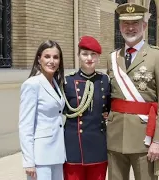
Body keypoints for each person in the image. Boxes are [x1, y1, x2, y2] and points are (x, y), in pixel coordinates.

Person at [106, 3, 159, 180]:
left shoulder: (158, 56)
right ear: (120, 26)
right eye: (125, 24)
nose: (130, 28)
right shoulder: (113, 58)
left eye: (135, 23)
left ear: (144, 26)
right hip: (115, 137)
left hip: (145, 138)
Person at [61, 35, 110, 180]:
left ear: (98, 57)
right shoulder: (67, 81)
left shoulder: (105, 80)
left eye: (93, 54)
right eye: (85, 54)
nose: (89, 58)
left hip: (98, 144)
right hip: (73, 145)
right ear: (78, 56)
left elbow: (108, 107)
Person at [19, 40, 66, 180]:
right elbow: (25, 125)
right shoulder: (32, 84)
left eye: (56, 57)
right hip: (40, 156)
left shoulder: (56, 84)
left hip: (57, 153)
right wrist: (28, 161)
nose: (52, 61)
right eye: (47, 56)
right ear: (39, 59)